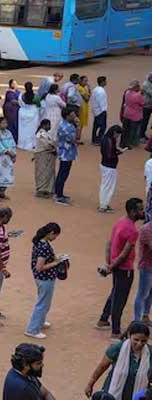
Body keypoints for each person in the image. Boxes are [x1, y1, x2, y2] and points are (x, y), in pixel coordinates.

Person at [99, 198, 145, 337]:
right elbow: (124, 254)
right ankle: (115, 331)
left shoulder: (120, 221)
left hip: (116, 265)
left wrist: (109, 264)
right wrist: (111, 267)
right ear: (133, 211)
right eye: (140, 209)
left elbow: (109, 243)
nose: (143, 212)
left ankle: (103, 319)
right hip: (125, 269)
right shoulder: (133, 230)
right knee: (120, 299)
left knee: (115, 292)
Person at [85, 321, 152, 399]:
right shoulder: (117, 348)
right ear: (129, 335)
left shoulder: (150, 353)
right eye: (136, 340)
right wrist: (90, 384)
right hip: (113, 393)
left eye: (143, 341)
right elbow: (102, 367)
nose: (139, 343)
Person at [25, 222, 63, 340]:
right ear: (51, 233)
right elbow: (40, 267)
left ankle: (40, 322)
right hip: (45, 278)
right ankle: (32, 329)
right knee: (42, 304)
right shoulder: (44, 247)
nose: (55, 238)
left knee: (44, 302)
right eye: (55, 236)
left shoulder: (40, 242)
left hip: (42, 278)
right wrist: (55, 263)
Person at [100, 125, 126, 213]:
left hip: (106, 166)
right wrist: (119, 153)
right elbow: (109, 155)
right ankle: (103, 206)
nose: (118, 137)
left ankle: (104, 204)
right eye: (118, 135)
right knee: (107, 186)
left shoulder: (107, 139)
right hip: (109, 167)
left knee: (107, 186)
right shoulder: (109, 141)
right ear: (114, 133)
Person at [93, 76, 109, 144]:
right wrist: (104, 111)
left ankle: (94, 139)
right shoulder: (101, 92)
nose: (106, 82)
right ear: (102, 82)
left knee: (95, 126)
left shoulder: (95, 89)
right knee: (103, 126)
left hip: (96, 111)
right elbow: (101, 102)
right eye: (105, 81)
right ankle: (99, 140)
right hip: (101, 111)